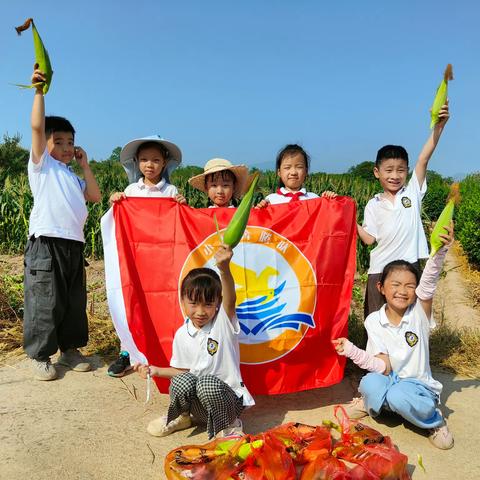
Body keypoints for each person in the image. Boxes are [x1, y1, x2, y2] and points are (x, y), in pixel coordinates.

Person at [333, 224, 455, 450]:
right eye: (396, 284)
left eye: (410, 286)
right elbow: (383, 366)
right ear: (381, 287)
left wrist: (440, 251)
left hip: (419, 387)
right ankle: (373, 402)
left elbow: (428, 282)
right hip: (391, 380)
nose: (403, 290)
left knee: (398, 395)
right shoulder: (374, 321)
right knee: (369, 382)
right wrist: (351, 350)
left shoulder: (419, 313)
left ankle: (433, 419)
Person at [24, 65, 102, 381]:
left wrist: (84, 165)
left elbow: (94, 196)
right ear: (47, 143)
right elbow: (35, 128)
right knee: (45, 300)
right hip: (45, 243)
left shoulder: (71, 177)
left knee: (72, 301)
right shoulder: (42, 168)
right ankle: (41, 355)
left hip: (73, 246)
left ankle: (70, 350)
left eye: (71, 142)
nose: (67, 148)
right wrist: (39, 92)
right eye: (60, 141)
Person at [134, 244, 255, 439]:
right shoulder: (182, 334)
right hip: (200, 409)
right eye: (193, 303)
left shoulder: (223, 322)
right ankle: (182, 417)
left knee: (206, 382)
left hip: (228, 402)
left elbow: (230, 300)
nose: (200, 312)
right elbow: (183, 372)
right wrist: (156, 371)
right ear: (182, 301)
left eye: (208, 304)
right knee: (182, 381)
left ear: (217, 303)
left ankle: (230, 426)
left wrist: (224, 269)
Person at [358, 102, 450, 317]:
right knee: (375, 320)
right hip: (379, 269)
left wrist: (439, 126)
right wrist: (348, 221)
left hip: (408, 268)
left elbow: (423, 158)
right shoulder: (373, 204)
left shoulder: (411, 193)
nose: (394, 175)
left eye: (400, 170)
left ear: (407, 172)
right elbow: (369, 239)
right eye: (388, 170)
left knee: (410, 321)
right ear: (376, 172)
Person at [107, 135, 186, 377]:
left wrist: (182, 204)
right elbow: (117, 223)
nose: (149, 165)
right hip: (137, 259)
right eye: (144, 159)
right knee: (133, 301)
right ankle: (128, 353)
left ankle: (163, 352)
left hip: (164, 261)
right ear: (136, 163)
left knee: (162, 304)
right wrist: (116, 202)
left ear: (165, 163)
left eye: (155, 160)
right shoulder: (131, 190)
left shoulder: (171, 191)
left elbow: (181, 225)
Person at [256, 144, 336, 207]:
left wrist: (328, 201)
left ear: (306, 171)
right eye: (287, 167)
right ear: (279, 172)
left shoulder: (314, 198)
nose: (293, 172)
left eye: (299, 167)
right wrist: (260, 210)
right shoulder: (271, 200)